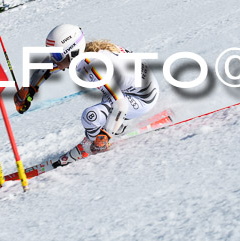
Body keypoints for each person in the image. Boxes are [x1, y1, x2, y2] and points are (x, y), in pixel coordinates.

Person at [14, 24, 159, 166]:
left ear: (73, 52)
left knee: (90, 117)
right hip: (138, 87)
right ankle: (116, 127)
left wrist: (105, 136)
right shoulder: (84, 56)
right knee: (107, 98)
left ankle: (91, 145)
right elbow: (46, 67)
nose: (53, 59)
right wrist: (29, 89)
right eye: (52, 54)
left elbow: (120, 103)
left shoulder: (94, 67)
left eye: (57, 55)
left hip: (141, 98)